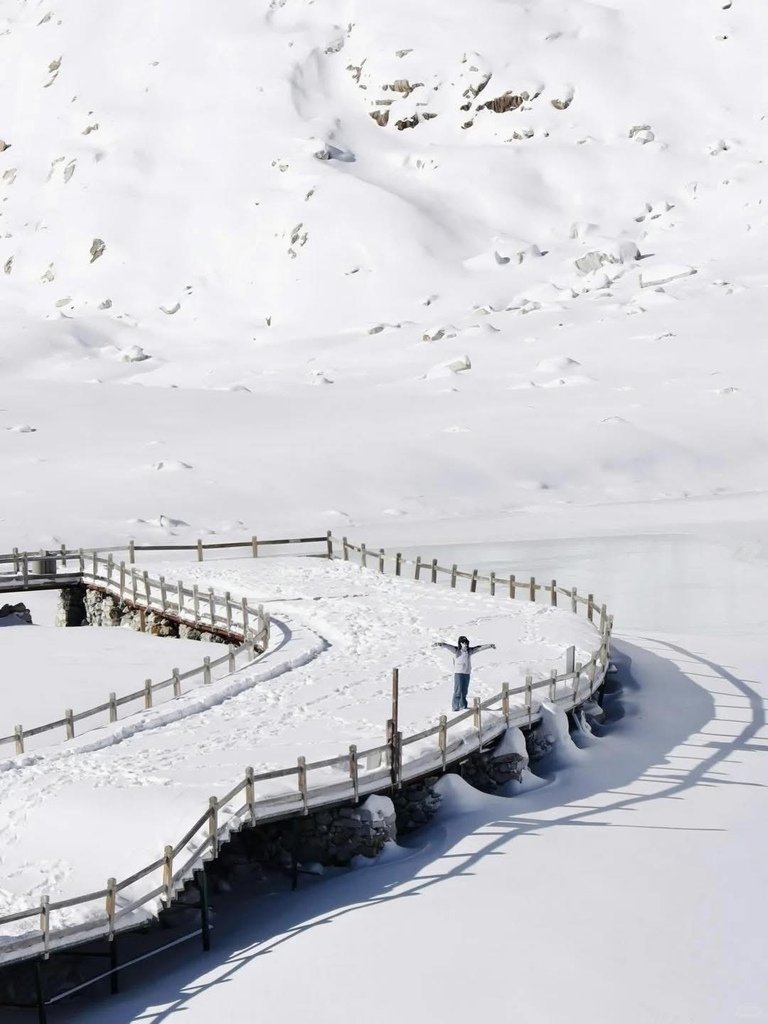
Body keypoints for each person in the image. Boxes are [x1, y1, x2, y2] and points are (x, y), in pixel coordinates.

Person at [433, 635, 496, 712]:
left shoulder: (469, 651)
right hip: (458, 673)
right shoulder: (456, 650)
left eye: (466, 642)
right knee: (458, 691)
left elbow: (479, 648)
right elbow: (448, 646)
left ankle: (463, 706)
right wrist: (441, 644)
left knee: (464, 691)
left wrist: (489, 646)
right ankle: (455, 707)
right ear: (460, 643)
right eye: (463, 642)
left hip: (466, 673)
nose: (465, 644)